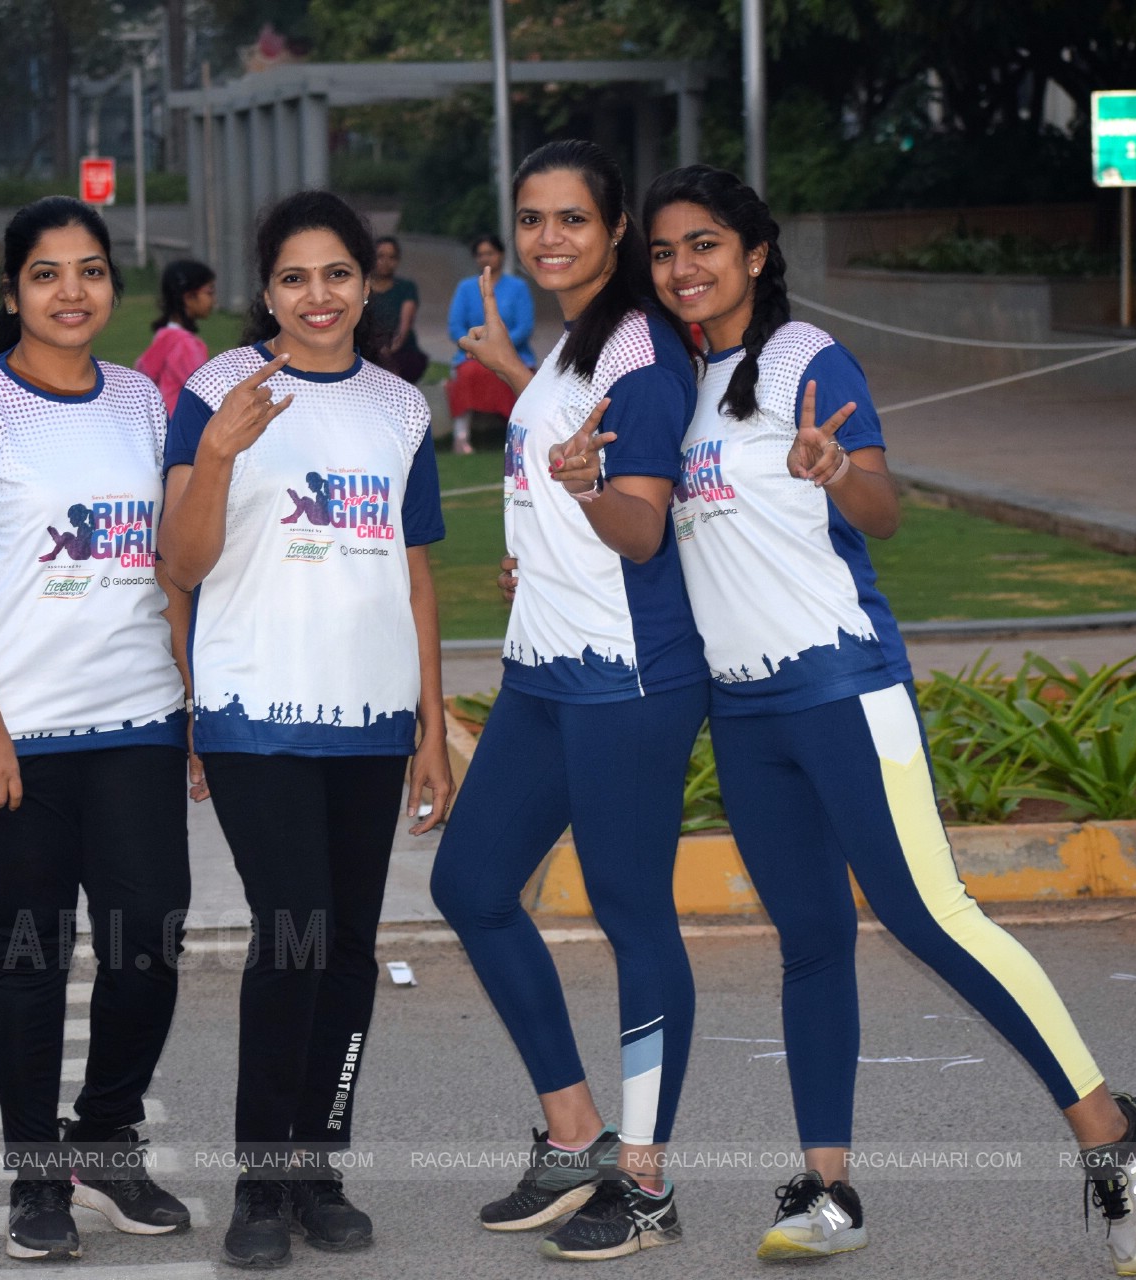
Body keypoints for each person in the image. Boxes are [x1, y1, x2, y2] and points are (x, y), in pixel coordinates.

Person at [629, 163, 1136, 1273]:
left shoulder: (806, 359)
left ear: (754, 253)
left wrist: (833, 467)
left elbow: (882, 506)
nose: (683, 269)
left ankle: (1116, 1135)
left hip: (841, 686)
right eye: (664, 252)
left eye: (704, 246)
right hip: (746, 709)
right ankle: (830, 1191)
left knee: (931, 914)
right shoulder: (676, 382)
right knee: (813, 943)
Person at [156, 190, 454, 1270]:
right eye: (293, 277)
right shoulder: (216, 389)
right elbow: (179, 564)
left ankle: (321, 1168)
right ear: (265, 290)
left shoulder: (397, 408)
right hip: (254, 712)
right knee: (297, 932)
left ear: (368, 280)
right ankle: (259, 1179)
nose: (317, 295)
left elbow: (415, 573)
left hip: (372, 718)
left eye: (336, 274)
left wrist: (430, 719)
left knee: (351, 951)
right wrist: (225, 451)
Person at [0, 195, 195, 1262]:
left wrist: (192, 703)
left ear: (114, 283)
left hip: (137, 722)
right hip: (6, 736)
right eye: (47, 274)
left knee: (149, 938)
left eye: (92, 271)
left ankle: (104, 1137)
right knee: (30, 954)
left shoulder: (145, 404)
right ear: (13, 290)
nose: (73, 292)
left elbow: (172, 566)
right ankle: (35, 1177)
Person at [429, 139, 707, 1262]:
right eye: (533, 219)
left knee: (635, 918)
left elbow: (640, 526)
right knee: (472, 883)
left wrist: (587, 496)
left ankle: (644, 1187)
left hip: (629, 675)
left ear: (616, 230)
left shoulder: (643, 356)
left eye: (572, 220)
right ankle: (577, 1131)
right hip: (545, 664)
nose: (549, 238)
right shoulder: (567, 349)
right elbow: (565, 499)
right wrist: (538, 546)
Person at [444, 233, 536, 454]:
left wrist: (497, 348)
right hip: (472, 355)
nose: (485, 258)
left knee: (514, 376)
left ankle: (519, 438)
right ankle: (461, 437)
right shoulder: (465, 288)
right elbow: (455, 326)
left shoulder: (518, 287)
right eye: (480, 254)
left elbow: (524, 326)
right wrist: (478, 348)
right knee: (467, 375)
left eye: (490, 253)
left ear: (501, 255)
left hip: (515, 354)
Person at [135, 258, 217, 414]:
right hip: (183, 429)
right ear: (189, 297)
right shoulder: (185, 345)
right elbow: (207, 396)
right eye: (210, 292)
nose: (214, 300)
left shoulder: (164, 336)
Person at [366, 235, 429, 384]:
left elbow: (404, 326)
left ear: (397, 260)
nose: (385, 262)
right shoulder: (361, 288)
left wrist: (389, 350)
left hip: (401, 351)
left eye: (391, 257)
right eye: (380, 256)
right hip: (366, 350)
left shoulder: (406, 288)